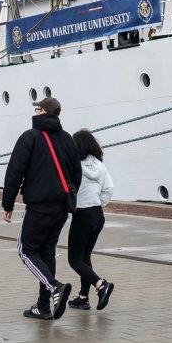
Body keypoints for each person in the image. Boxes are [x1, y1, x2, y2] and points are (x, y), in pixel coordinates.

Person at [1, 96, 79, 322]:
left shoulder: (30, 137)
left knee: (25, 250)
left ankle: (55, 287)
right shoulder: (67, 139)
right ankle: (43, 306)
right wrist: (68, 196)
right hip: (61, 208)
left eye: (37, 108)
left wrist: (8, 203)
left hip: (39, 206)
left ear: (43, 111)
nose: (35, 112)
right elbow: (76, 175)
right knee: (46, 252)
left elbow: (15, 171)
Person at [66, 129, 115, 312]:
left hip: (82, 214)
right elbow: (109, 189)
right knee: (85, 257)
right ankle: (83, 297)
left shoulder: (74, 166)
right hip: (97, 215)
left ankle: (101, 285)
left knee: (74, 260)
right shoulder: (100, 166)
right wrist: (98, 203)